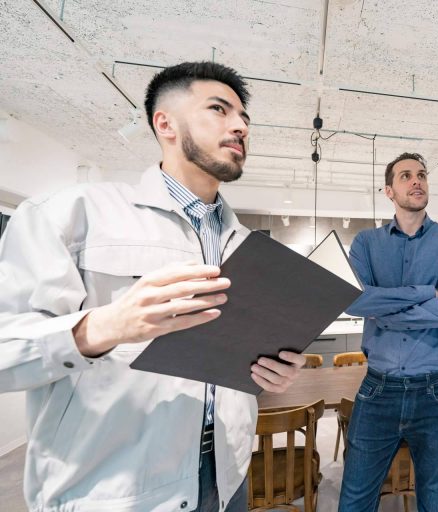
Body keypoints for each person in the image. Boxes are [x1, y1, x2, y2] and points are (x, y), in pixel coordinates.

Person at [0, 61, 306, 512]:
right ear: (164, 123)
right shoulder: (71, 214)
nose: (240, 126)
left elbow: (225, 362)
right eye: (219, 109)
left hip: (228, 477)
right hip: (113, 489)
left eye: (244, 118)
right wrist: (102, 327)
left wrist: (269, 374)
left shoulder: (245, 244)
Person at [338, 152, 438, 511]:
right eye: (406, 176)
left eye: (422, 175)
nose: (417, 181)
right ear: (388, 190)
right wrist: (425, 292)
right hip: (378, 387)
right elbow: (352, 302)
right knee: (355, 497)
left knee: (433, 496)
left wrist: (384, 310)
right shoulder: (366, 244)